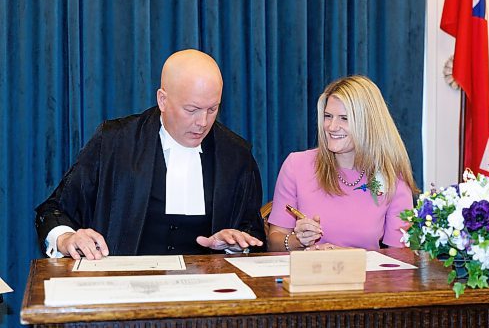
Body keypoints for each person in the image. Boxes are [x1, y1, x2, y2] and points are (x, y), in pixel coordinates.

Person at [35, 49, 265, 260]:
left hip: (208, 292)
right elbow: (54, 210)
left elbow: (252, 231)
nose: (202, 122)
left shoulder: (236, 154)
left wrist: (234, 243)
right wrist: (66, 238)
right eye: (192, 110)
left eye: (212, 109)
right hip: (124, 290)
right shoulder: (115, 142)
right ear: (162, 100)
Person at [267, 75, 419, 252]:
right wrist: (298, 241)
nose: (331, 127)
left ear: (369, 124)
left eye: (344, 118)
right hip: (307, 278)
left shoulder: (393, 178)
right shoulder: (297, 165)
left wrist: (348, 257)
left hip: (365, 278)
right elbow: (273, 243)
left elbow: (399, 259)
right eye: (328, 116)